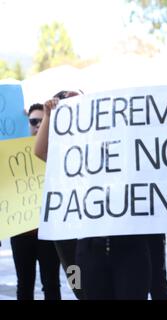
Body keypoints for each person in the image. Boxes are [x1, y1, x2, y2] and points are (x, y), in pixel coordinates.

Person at [36, 91, 152, 300]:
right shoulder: (74, 161)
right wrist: (48, 116)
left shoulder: (129, 153)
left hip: (129, 247)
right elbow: (40, 151)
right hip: (90, 249)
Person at [35, 91, 84, 300]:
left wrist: (85, 99)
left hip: (91, 235)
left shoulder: (95, 145)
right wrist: (48, 114)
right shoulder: (61, 156)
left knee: (98, 286)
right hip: (65, 235)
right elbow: (39, 151)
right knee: (79, 286)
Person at [10, 103, 61, 300]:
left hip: (48, 231)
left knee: (51, 284)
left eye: (42, 120)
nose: (38, 125)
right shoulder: (9, 153)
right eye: (33, 121)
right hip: (21, 230)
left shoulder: (57, 150)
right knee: (24, 284)